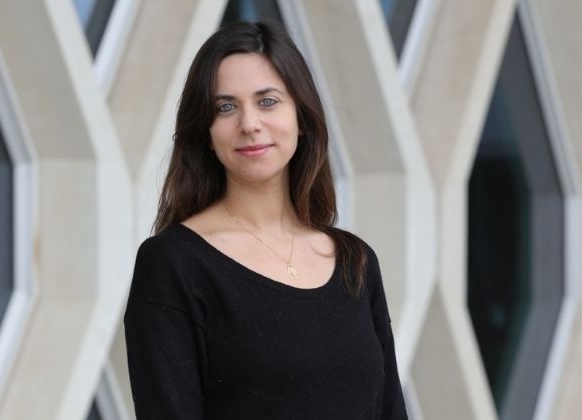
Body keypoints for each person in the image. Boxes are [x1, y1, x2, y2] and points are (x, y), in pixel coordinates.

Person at [124, 21, 408, 419]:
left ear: (301, 117)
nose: (249, 124)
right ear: (205, 132)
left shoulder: (355, 263)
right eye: (225, 107)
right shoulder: (173, 264)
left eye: (268, 101)